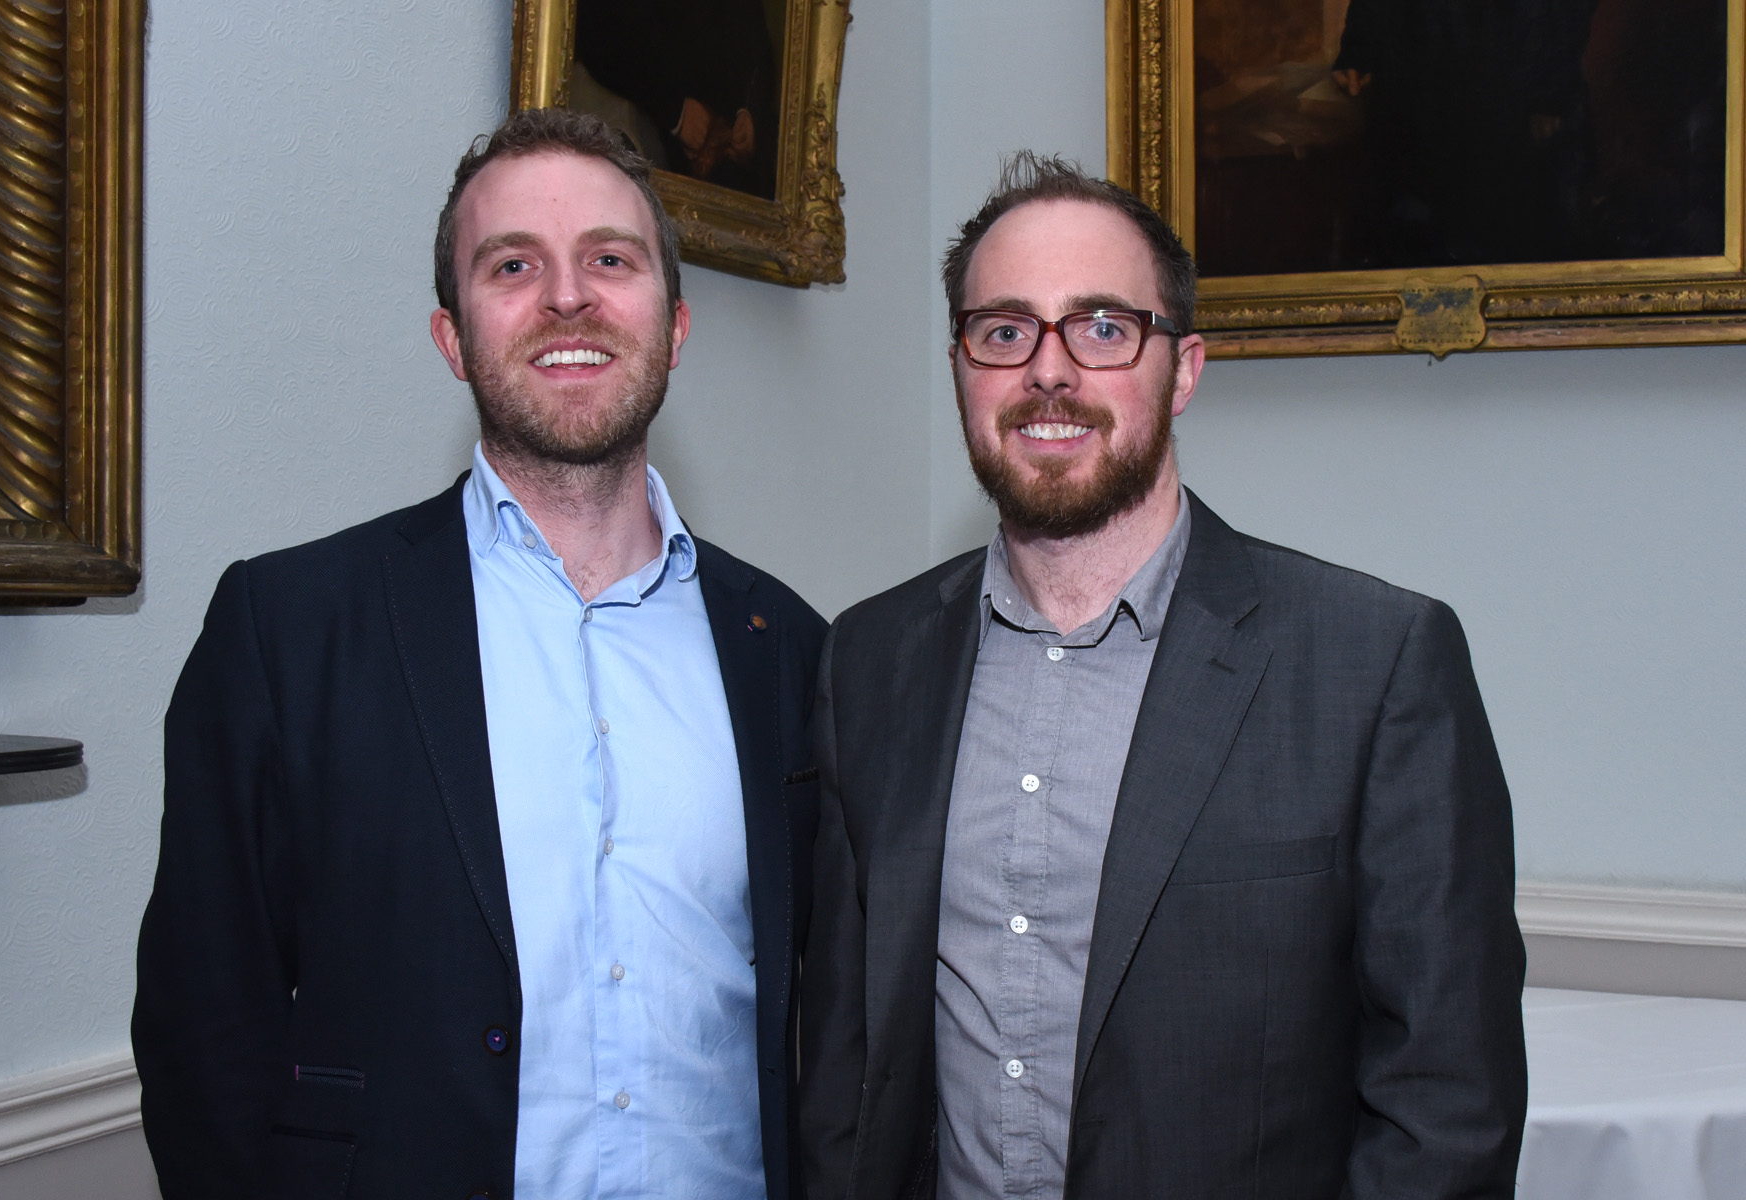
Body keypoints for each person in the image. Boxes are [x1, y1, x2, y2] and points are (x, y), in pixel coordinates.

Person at [799, 152, 1526, 1199]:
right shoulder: (869, 661)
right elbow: (845, 1069)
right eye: (1004, 331)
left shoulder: (1376, 665)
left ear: (1182, 370)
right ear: (960, 366)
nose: (1049, 372)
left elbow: (1446, 1111)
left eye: (1103, 328)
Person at [133, 108, 826, 1200]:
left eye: (611, 259)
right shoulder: (287, 631)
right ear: (452, 337)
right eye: (513, 265)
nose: (568, 297)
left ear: (675, 324)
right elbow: (203, 1036)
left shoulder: (788, 648)